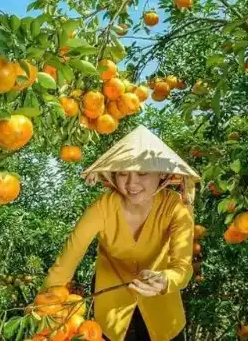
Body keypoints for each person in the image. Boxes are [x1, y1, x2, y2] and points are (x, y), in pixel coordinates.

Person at [43, 125, 199, 341]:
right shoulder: (102, 208)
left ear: (161, 174)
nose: (131, 184)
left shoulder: (175, 209)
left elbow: (183, 267)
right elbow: (66, 263)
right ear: (113, 176)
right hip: (111, 317)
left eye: (142, 173)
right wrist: (44, 308)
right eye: (123, 174)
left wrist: (165, 280)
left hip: (164, 317)